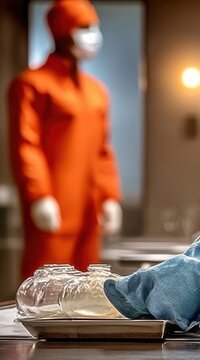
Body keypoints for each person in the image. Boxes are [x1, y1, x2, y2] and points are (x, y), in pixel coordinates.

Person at [7, 0, 121, 280]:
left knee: (85, 293)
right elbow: (26, 144)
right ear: (62, 31)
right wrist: (39, 195)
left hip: (89, 214)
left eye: (94, 26)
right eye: (84, 27)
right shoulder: (32, 86)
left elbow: (103, 151)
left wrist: (109, 197)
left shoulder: (97, 92)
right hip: (53, 211)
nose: (93, 34)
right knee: (44, 289)